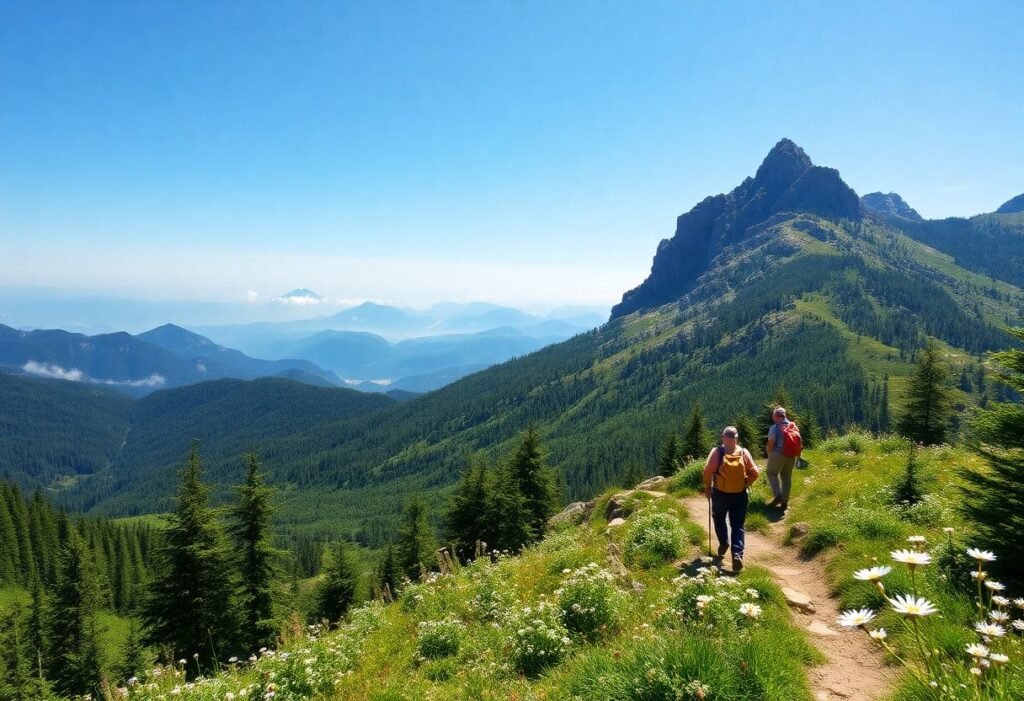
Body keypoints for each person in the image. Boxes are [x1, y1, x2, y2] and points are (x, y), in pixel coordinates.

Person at [702, 426, 760, 573]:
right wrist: (746, 483)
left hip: (720, 493)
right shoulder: (743, 452)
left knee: (719, 518)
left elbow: (707, 471)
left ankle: (723, 543)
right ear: (736, 438)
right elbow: (755, 473)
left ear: (723, 438)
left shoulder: (717, 452)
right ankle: (737, 555)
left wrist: (708, 488)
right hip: (740, 494)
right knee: (738, 525)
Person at [765, 407, 797, 510]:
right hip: (792, 455)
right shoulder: (793, 426)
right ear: (785, 416)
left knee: (771, 473)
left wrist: (770, 454)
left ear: (775, 416)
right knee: (786, 477)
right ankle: (785, 502)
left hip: (778, 454)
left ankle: (778, 495)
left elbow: (771, 443)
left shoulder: (775, 428)